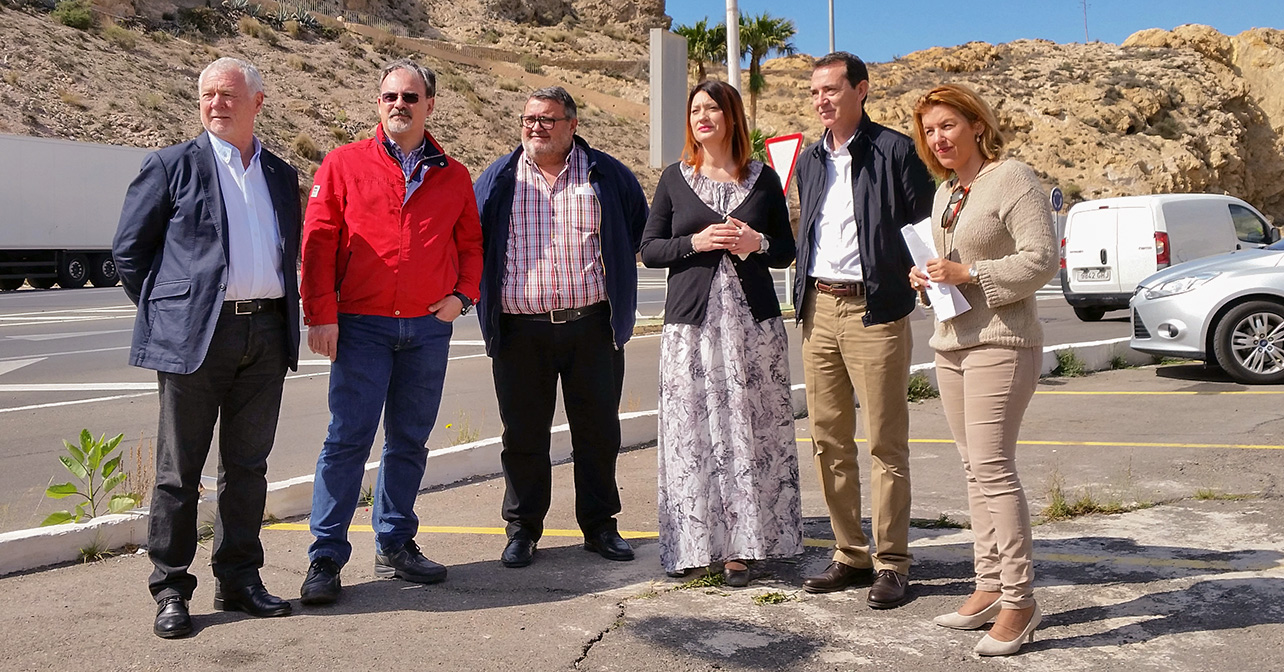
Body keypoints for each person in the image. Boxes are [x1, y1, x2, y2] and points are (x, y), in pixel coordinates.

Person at [113, 57, 301, 639]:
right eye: (207, 94)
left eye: (228, 94)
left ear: (258, 102)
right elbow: (129, 251)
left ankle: (240, 579)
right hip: (197, 336)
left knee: (247, 468)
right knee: (178, 472)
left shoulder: (279, 173)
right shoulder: (171, 165)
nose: (216, 103)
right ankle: (170, 588)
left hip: (266, 333)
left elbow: (286, 252)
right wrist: (174, 309)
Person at [297, 59, 482, 604]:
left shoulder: (453, 173)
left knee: (409, 441)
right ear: (378, 103)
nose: (398, 104)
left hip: (427, 329)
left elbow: (471, 243)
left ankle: (395, 543)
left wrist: (462, 297)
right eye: (389, 97)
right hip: (361, 327)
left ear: (430, 105)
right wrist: (321, 313)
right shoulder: (343, 163)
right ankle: (326, 557)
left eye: (409, 97)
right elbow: (318, 241)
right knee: (346, 439)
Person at [908, 84, 1057, 656]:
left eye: (948, 125)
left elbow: (1040, 259)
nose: (938, 138)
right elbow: (945, 269)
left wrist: (967, 272)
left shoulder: (1012, 177)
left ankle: (1021, 601)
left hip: (1003, 341)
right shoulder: (947, 191)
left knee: (993, 468)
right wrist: (928, 280)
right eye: (930, 130)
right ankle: (989, 584)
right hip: (952, 342)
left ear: (976, 124)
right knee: (973, 470)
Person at [473, 87, 648, 568]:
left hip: (591, 327)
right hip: (518, 332)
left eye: (548, 119)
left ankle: (600, 526)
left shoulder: (607, 175)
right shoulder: (498, 178)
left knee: (597, 432)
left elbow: (636, 229)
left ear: (572, 124)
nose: (536, 127)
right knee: (523, 436)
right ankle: (523, 530)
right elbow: (471, 240)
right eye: (529, 118)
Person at [640, 80, 801, 586]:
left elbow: (786, 251)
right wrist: (696, 241)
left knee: (750, 435)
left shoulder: (764, 180)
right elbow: (649, 249)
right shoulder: (674, 178)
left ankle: (742, 547)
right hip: (692, 330)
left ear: (732, 116)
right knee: (694, 435)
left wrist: (757, 241)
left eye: (712, 108)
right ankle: (693, 542)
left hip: (753, 331)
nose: (702, 117)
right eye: (695, 110)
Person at [793, 52, 934, 608]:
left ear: (861, 90)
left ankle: (893, 562)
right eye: (814, 93)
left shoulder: (896, 150)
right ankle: (849, 554)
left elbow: (923, 226)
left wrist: (922, 277)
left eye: (831, 89)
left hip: (876, 311)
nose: (821, 100)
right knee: (828, 439)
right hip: (818, 310)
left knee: (885, 441)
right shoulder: (808, 160)